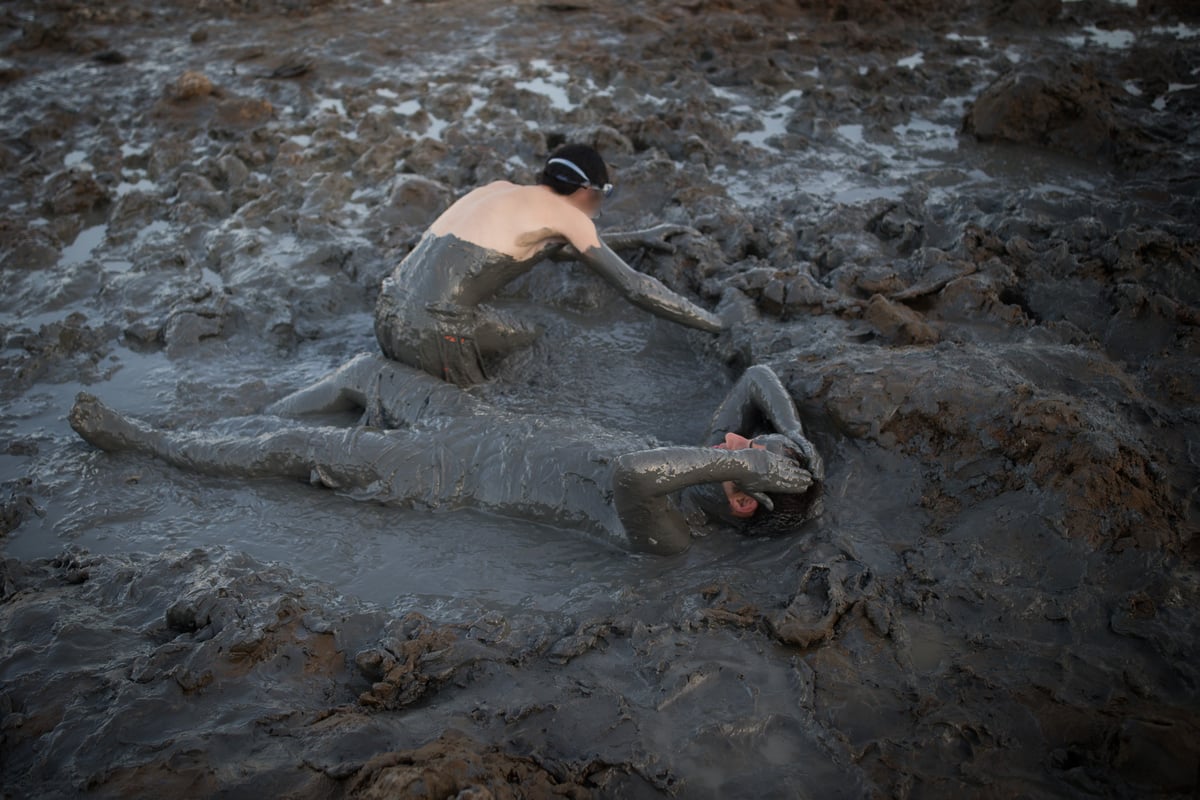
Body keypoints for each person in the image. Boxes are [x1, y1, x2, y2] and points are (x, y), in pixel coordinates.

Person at [69, 358, 823, 555]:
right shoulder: (706, 463)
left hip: (448, 474)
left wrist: (756, 460)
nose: (729, 440)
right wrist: (792, 437)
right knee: (366, 374)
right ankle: (228, 420)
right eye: (741, 441)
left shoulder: (672, 532)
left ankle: (154, 445)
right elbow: (757, 378)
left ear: (742, 498)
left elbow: (631, 475)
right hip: (478, 422)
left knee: (289, 449)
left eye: (741, 454)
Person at [374, 143, 725, 386]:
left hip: (388, 311)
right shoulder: (567, 216)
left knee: (527, 335)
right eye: (606, 194)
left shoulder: (496, 189)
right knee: (472, 422)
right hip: (434, 331)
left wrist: (639, 236)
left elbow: (553, 249)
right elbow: (635, 287)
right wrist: (717, 325)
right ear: (589, 191)